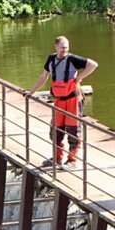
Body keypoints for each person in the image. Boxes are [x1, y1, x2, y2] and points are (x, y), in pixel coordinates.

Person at [28, 35, 99, 167]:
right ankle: (56, 158)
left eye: (66, 48)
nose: (64, 50)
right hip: (59, 100)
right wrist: (31, 92)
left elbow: (93, 64)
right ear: (56, 47)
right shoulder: (51, 59)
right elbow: (44, 76)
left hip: (73, 99)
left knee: (73, 130)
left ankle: (72, 161)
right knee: (55, 130)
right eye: (62, 48)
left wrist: (79, 78)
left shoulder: (72, 59)